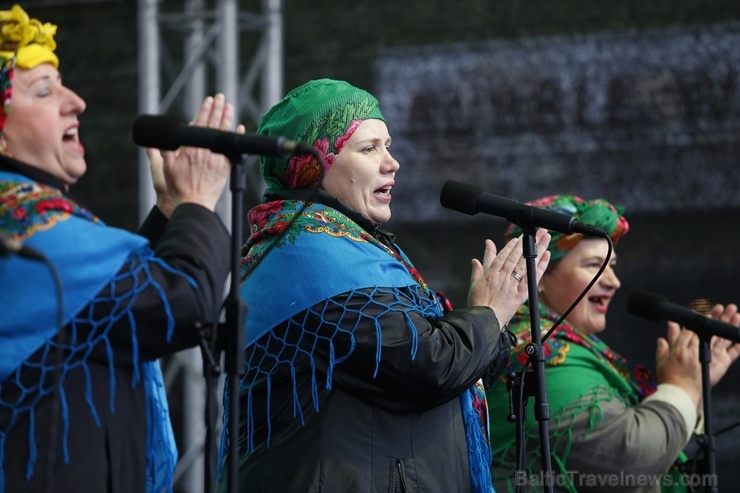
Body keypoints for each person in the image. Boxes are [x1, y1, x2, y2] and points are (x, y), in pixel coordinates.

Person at [213, 78, 552, 493]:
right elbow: (424, 365)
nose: (391, 162)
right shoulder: (307, 256)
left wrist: (490, 326)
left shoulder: (347, 247)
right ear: (315, 163)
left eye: (388, 145)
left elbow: (425, 363)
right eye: (369, 148)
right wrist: (489, 312)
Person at [0, 5, 242, 493]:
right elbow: (180, 303)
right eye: (44, 90)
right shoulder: (22, 221)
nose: (76, 101)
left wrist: (173, 212)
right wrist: (197, 203)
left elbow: (108, 308)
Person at [484, 195, 740, 492]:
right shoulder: (536, 355)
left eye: (612, 265)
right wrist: (682, 388)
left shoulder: (567, 346)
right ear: (537, 274)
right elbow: (628, 460)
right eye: (594, 264)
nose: (614, 281)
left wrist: (694, 384)